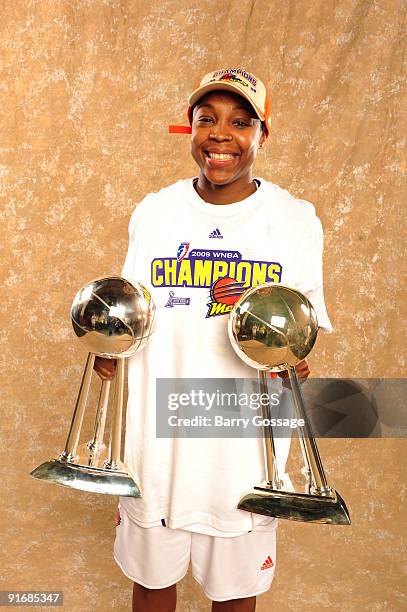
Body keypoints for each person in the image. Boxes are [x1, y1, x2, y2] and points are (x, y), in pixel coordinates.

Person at [94, 68, 332, 612]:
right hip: (157, 440)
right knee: (153, 583)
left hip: (243, 446)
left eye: (240, 121)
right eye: (208, 119)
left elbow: (303, 325)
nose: (221, 134)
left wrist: (296, 358)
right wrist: (114, 349)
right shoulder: (155, 212)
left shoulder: (294, 221)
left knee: (234, 592)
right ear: (191, 128)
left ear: (262, 134)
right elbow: (135, 313)